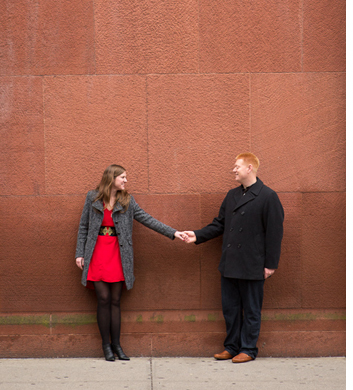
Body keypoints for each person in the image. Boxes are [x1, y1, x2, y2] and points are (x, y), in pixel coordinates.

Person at [76, 164, 189, 361]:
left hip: (118, 254)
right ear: (112, 178)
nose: (126, 181)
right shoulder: (92, 197)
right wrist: (80, 253)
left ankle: (117, 345)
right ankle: (106, 346)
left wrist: (174, 233)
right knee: (102, 299)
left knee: (115, 301)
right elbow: (83, 226)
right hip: (97, 252)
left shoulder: (127, 200)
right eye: (123, 177)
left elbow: (148, 219)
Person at [183, 153, 284, 363]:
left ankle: (248, 349)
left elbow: (275, 233)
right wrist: (197, 235)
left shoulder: (268, 196)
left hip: (253, 263)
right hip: (230, 263)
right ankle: (231, 346)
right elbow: (219, 224)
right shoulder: (232, 195)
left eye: (237, 166)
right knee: (230, 309)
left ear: (249, 168)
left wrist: (270, 265)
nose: (233, 170)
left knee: (252, 309)